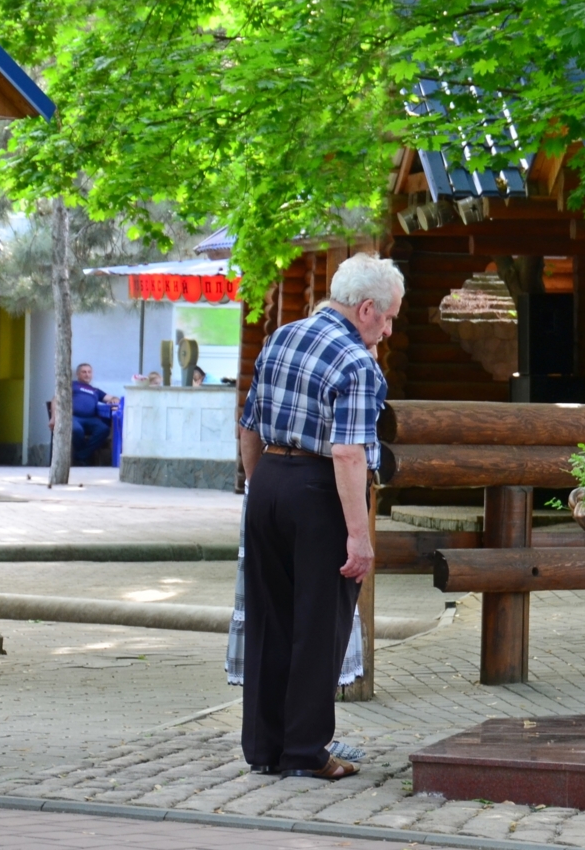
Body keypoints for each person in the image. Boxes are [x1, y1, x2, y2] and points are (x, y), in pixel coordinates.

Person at [236, 253, 402, 779]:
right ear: (367, 308)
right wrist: (360, 536)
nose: (390, 330)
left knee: (269, 619)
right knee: (318, 624)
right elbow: (349, 453)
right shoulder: (357, 361)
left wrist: (259, 487)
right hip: (318, 491)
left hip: (267, 481)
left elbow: (249, 423)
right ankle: (305, 753)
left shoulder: (282, 336)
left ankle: (264, 747)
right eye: (390, 317)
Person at [68, 363, 119, 465]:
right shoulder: (72, 385)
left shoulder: (95, 390)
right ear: (78, 374)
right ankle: (84, 458)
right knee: (76, 430)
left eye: (89, 372)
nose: (87, 374)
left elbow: (114, 398)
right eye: (84, 372)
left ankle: (80, 456)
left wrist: (114, 400)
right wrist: (54, 418)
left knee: (104, 429)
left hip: (90, 419)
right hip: (74, 417)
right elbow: (56, 399)